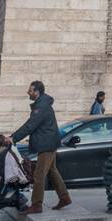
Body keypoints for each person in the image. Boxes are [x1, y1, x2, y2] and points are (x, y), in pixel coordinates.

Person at [10, 80, 71, 214]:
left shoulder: (41, 106)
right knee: (52, 171)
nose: (28, 92)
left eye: (30, 90)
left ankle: (37, 205)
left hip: (46, 144)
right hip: (48, 142)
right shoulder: (42, 104)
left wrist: (13, 138)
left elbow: (30, 125)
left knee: (38, 175)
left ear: (37, 92)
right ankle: (64, 197)